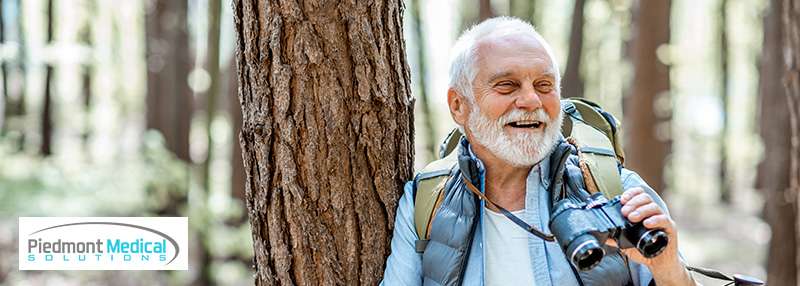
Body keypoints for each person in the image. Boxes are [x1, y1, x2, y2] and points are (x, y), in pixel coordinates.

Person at [380, 17, 697, 286]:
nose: (531, 100)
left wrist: (668, 268)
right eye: (507, 85)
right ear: (458, 105)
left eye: (544, 86)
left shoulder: (618, 192)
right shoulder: (426, 201)